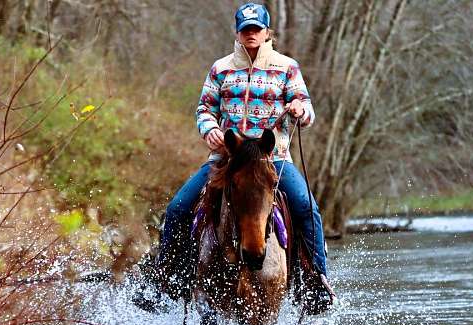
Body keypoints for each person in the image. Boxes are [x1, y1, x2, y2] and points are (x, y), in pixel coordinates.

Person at [141, 2, 333, 307]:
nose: (251, 34)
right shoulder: (221, 68)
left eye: (256, 29)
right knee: (178, 208)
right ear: (238, 33)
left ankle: (317, 282)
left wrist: (300, 110)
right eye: (246, 30)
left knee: (307, 208)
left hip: (274, 158)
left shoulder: (287, 67)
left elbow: (306, 109)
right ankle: (168, 280)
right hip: (226, 160)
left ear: (268, 32)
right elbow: (204, 109)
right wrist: (210, 130)